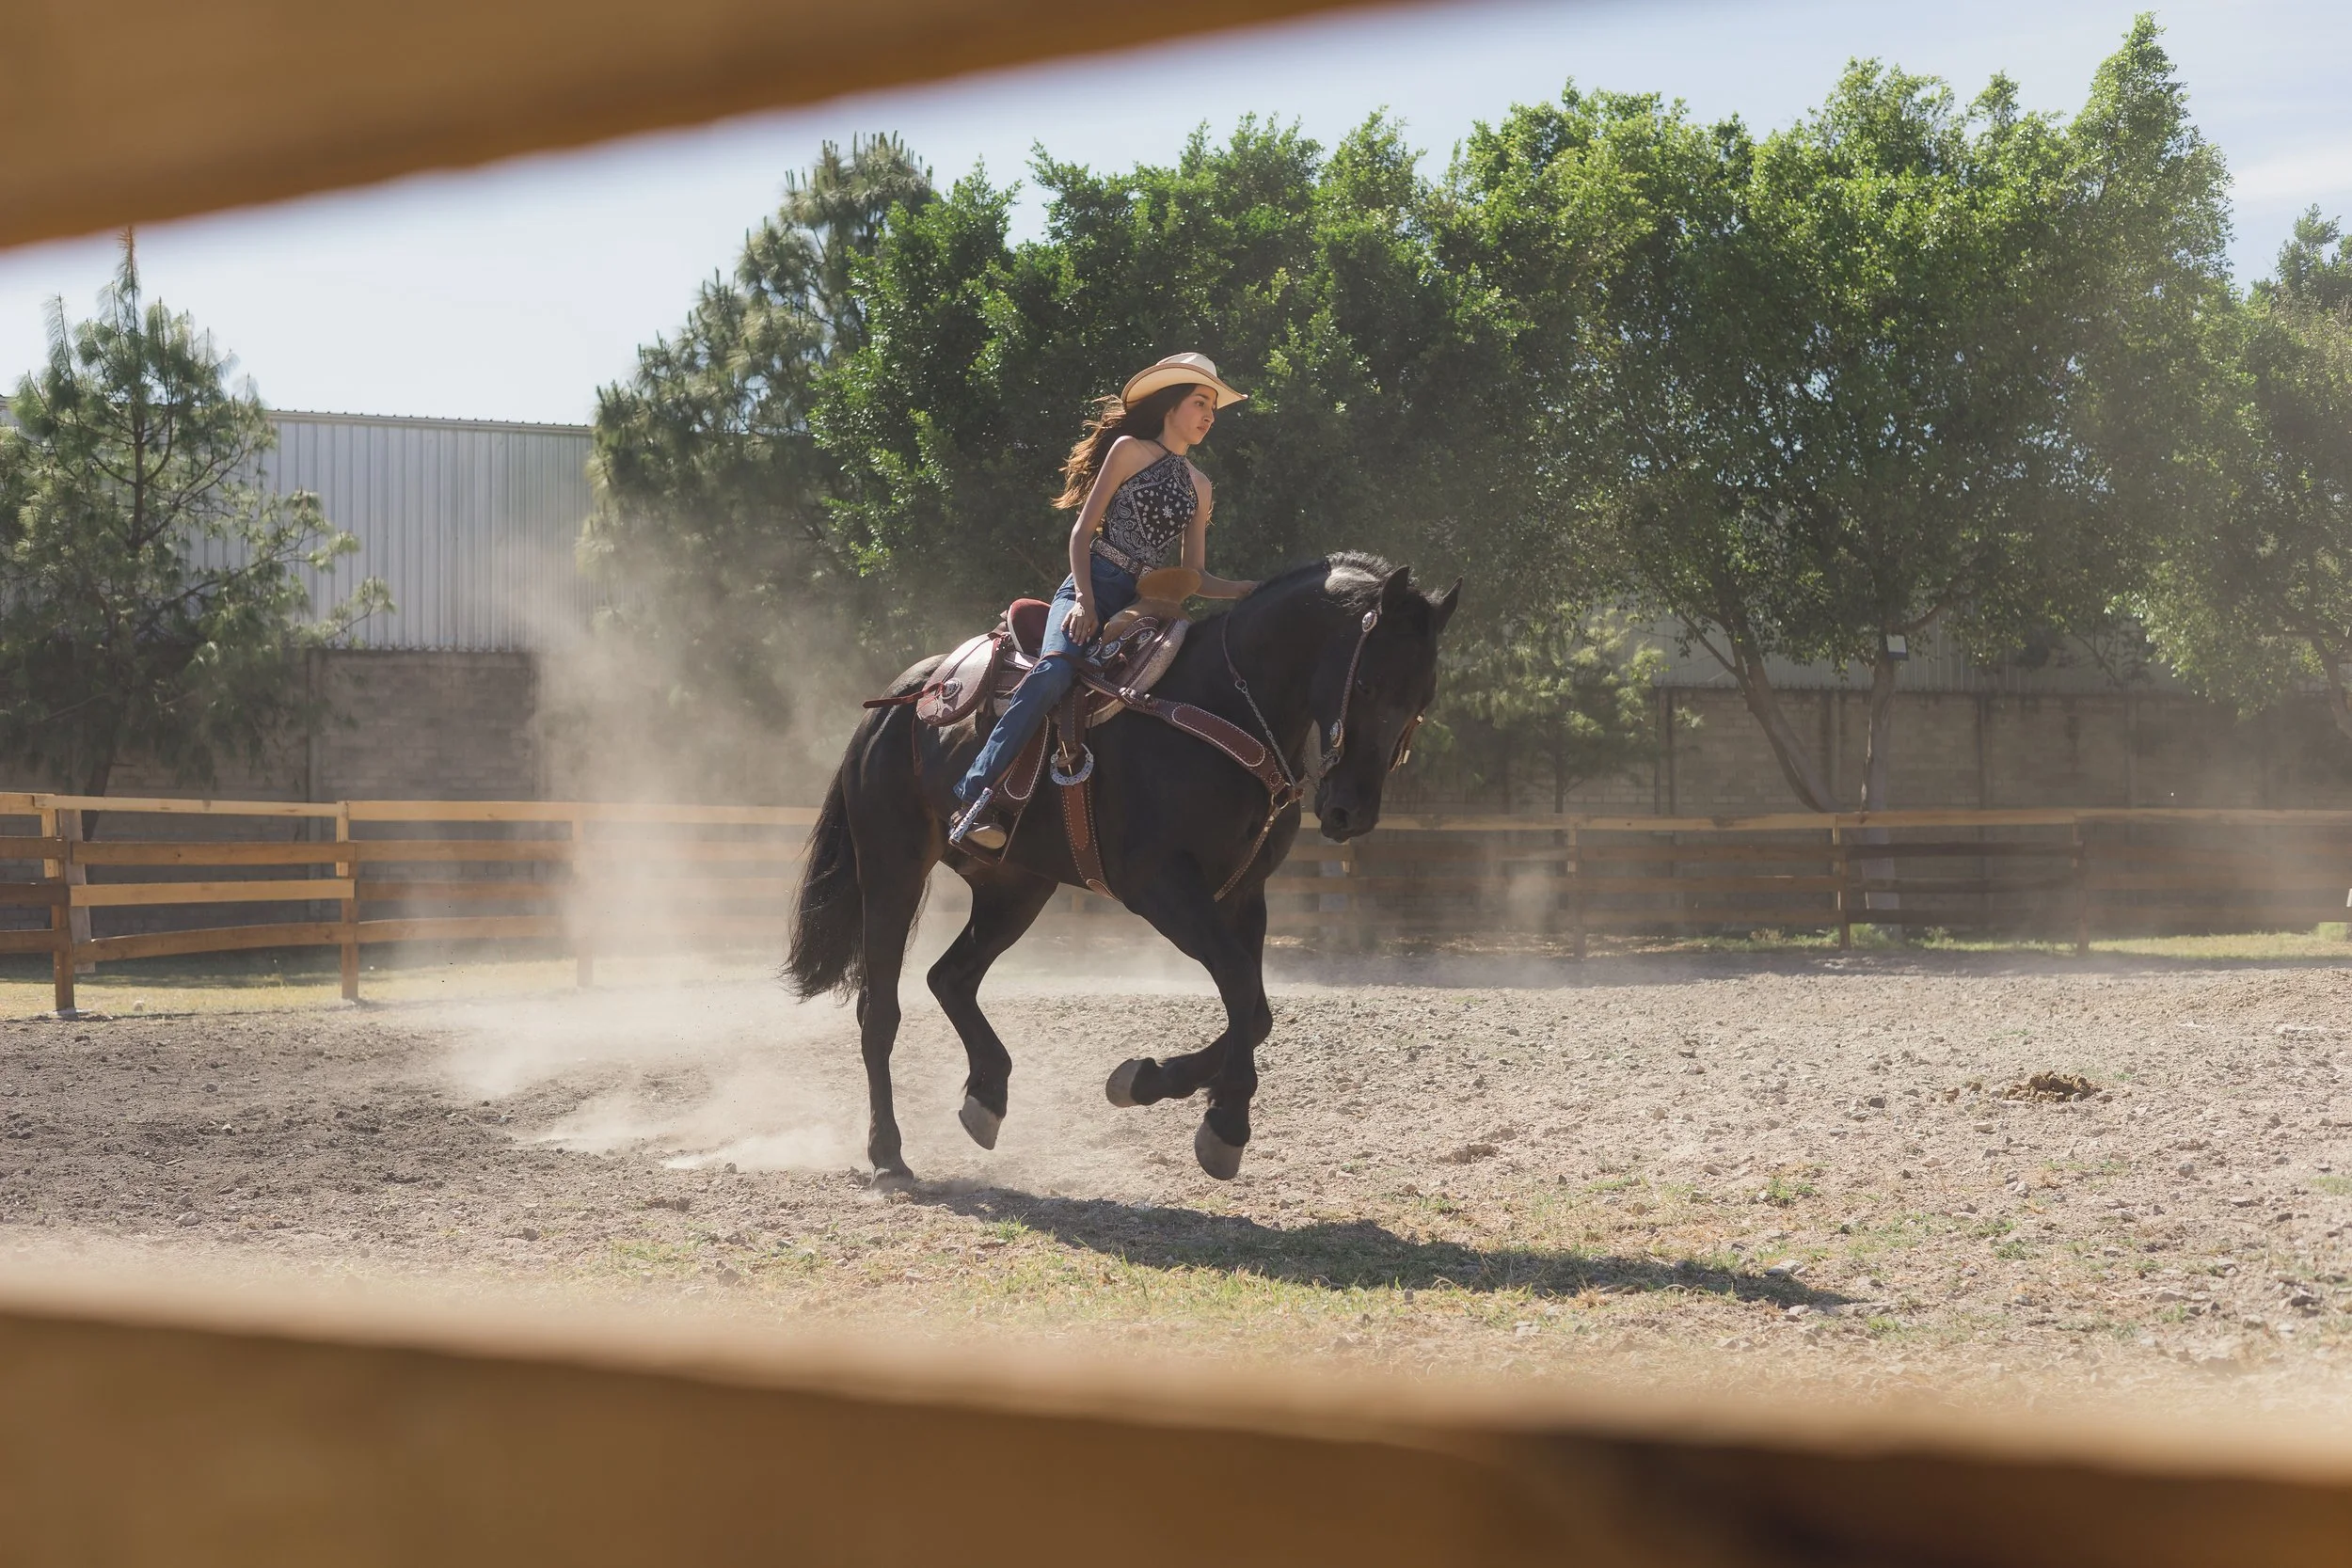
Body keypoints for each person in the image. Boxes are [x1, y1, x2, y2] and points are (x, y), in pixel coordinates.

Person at [949, 352, 1258, 851]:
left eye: (1213, 409)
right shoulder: (1128, 450)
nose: (1209, 416)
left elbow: (1196, 576)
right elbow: (1081, 534)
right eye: (1200, 403)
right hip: (1090, 583)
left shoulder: (1200, 487)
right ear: (1171, 406)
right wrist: (1083, 601)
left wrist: (1247, 590)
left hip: (1142, 603)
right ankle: (973, 796)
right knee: (1054, 673)